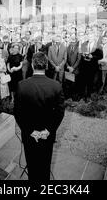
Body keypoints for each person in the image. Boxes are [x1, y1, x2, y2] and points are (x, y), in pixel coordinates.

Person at [14, 52, 65, 181]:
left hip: (29, 134)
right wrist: (48, 130)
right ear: (47, 65)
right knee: (45, 165)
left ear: (32, 65)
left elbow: (18, 113)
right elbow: (59, 113)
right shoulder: (56, 85)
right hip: (47, 135)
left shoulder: (22, 85)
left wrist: (31, 131)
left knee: (32, 166)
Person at [65, 34, 81, 100]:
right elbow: (65, 58)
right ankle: (68, 96)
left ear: (76, 41)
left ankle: (74, 97)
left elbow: (78, 59)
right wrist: (68, 66)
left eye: (74, 41)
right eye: (71, 41)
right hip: (68, 69)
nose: (72, 43)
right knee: (68, 83)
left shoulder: (79, 49)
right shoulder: (67, 48)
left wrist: (73, 68)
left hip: (75, 69)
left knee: (75, 84)